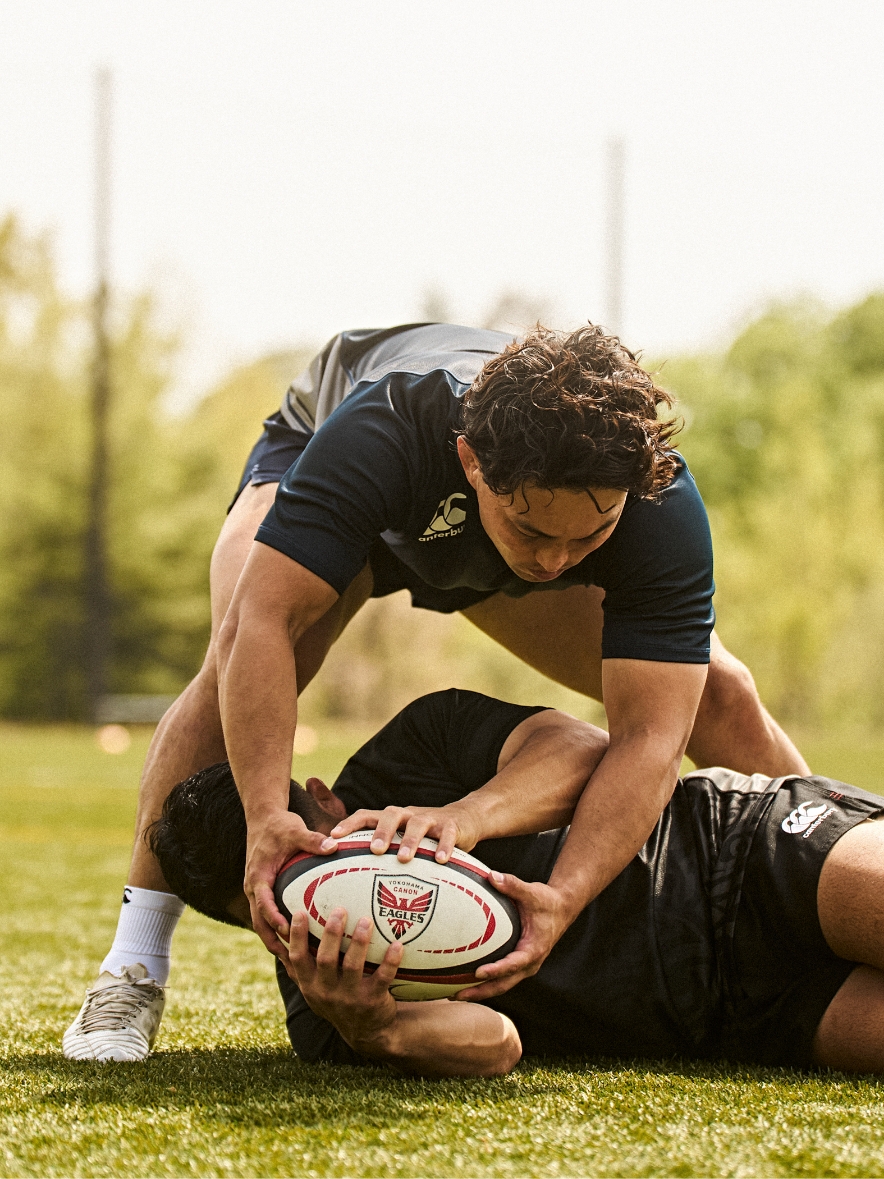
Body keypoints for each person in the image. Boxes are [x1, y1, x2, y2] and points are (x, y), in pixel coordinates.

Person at [64, 322, 809, 1062]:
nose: (555, 562)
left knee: (720, 691)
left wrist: (566, 895)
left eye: (590, 536)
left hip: (477, 528)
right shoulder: (386, 428)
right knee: (245, 643)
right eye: (532, 529)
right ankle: (132, 967)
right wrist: (265, 815)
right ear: (471, 461)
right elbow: (260, 621)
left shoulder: (659, 504)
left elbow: (651, 735)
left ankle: (836, 838)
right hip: (351, 473)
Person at [137, 690, 884, 1076]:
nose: (330, 885)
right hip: (734, 1015)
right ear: (259, 920)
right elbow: (498, 1044)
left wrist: (465, 816)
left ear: (322, 795)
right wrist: (375, 1027)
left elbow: (583, 746)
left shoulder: (410, 749)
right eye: (285, 891)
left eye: (314, 849)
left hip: (736, 852)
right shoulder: (324, 997)